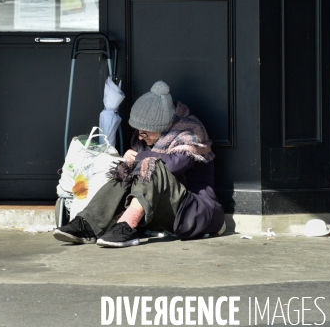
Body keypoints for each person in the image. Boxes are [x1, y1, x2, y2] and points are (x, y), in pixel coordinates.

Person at [53, 80, 225, 248]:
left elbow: (173, 165)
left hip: (192, 212)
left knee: (152, 166)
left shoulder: (191, 132)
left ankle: (127, 226)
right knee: (127, 172)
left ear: (162, 126)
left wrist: (139, 157)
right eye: (138, 131)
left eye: (145, 132)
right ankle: (87, 223)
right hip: (158, 214)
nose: (140, 136)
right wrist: (128, 161)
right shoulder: (146, 138)